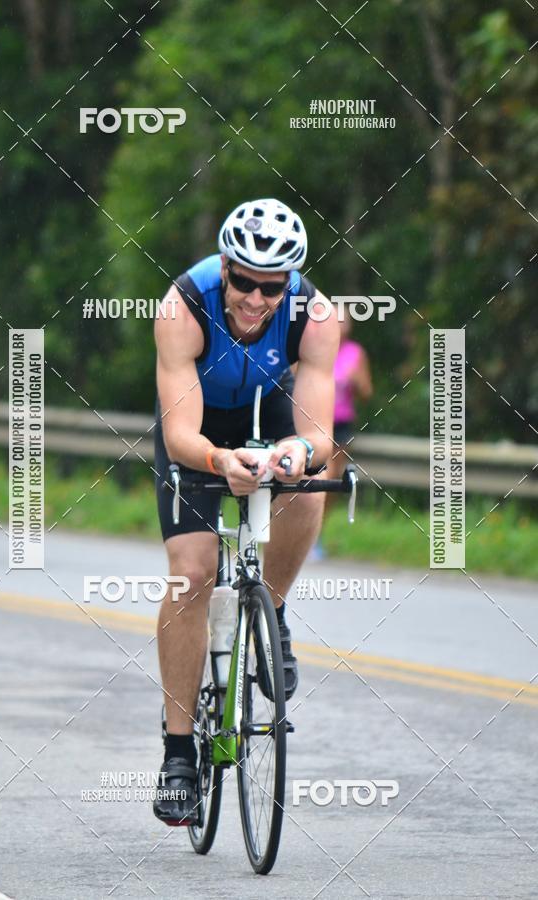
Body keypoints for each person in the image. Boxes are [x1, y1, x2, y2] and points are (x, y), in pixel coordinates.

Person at [152, 198, 339, 825]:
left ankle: (274, 613)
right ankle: (179, 754)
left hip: (270, 406)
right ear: (225, 266)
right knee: (193, 572)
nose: (256, 299)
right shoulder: (184, 305)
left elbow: (319, 431)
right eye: (244, 282)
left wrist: (297, 451)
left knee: (318, 475)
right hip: (200, 425)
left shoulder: (314, 316)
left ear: (289, 283)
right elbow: (181, 434)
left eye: (272, 286)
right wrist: (220, 462)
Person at [326, 308, 373, 480]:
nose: (340, 325)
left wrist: (357, 381)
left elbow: (366, 393)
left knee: (335, 474)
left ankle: (324, 508)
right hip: (315, 418)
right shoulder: (315, 347)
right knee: (323, 470)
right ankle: (314, 505)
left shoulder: (355, 353)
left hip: (341, 421)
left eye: (344, 321)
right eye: (337, 320)